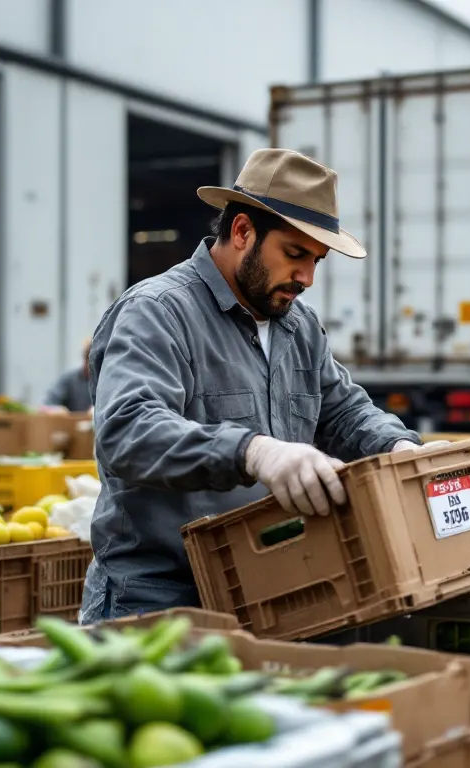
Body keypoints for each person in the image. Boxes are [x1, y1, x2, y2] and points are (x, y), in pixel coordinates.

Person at [80, 148, 439, 622]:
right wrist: (253, 452)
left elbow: (342, 410)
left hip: (266, 587)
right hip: (158, 597)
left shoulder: (298, 326)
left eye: (316, 260)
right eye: (294, 254)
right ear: (243, 232)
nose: (306, 278)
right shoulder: (158, 312)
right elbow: (129, 431)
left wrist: (396, 446)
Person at [42, 338, 93, 413]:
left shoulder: (106, 380)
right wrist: (58, 411)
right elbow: (45, 406)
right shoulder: (69, 378)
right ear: (85, 360)